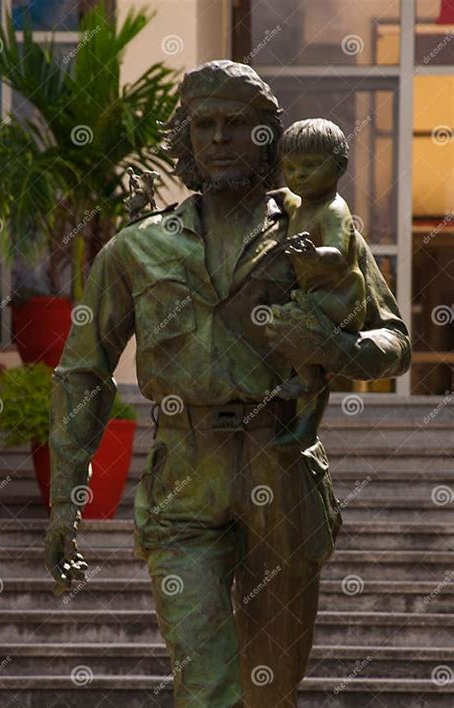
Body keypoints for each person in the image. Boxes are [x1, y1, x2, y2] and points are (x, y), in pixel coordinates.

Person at [44, 60, 411, 707]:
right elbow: (83, 372)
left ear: (269, 138)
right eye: (203, 125)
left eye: (236, 125)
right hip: (183, 481)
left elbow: (395, 342)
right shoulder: (136, 250)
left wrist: (334, 348)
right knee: (207, 686)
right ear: (184, 141)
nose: (217, 138)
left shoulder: (321, 226)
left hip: (283, 469)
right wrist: (64, 502)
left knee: (270, 688)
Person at [272, 118, 367, 448]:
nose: (298, 175)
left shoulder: (333, 209)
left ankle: (307, 383)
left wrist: (314, 255)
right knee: (289, 327)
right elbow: (286, 196)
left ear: (339, 167)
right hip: (314, 295)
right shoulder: (300, 204)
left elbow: (339, 255)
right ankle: (306, 414)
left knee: (293, 325)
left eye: (310, 167)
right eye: (290, 167)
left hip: (342, 299)